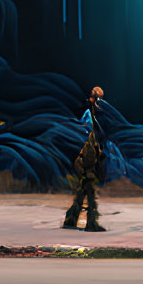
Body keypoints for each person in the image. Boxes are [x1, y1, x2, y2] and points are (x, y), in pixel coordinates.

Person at [62, 85, 108, 232]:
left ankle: (71, 219)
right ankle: (91, 223)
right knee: (90, 193)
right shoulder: (87, 115)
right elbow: (88, 145)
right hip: (86, 162)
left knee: (82, 193)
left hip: (88, 161)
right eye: (97, 97)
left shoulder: (95, 117)